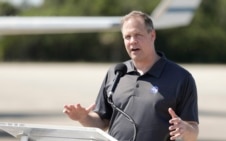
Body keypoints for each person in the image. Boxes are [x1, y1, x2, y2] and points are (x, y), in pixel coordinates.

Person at [63, 10, 199, 141]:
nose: (132, 41)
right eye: (127, 37)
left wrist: (185, 129)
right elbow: (102, 123)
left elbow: (193, 132)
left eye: (138, 35)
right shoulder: (115, 73)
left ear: (152, 35)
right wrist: (83, 118)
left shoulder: (181, 78)